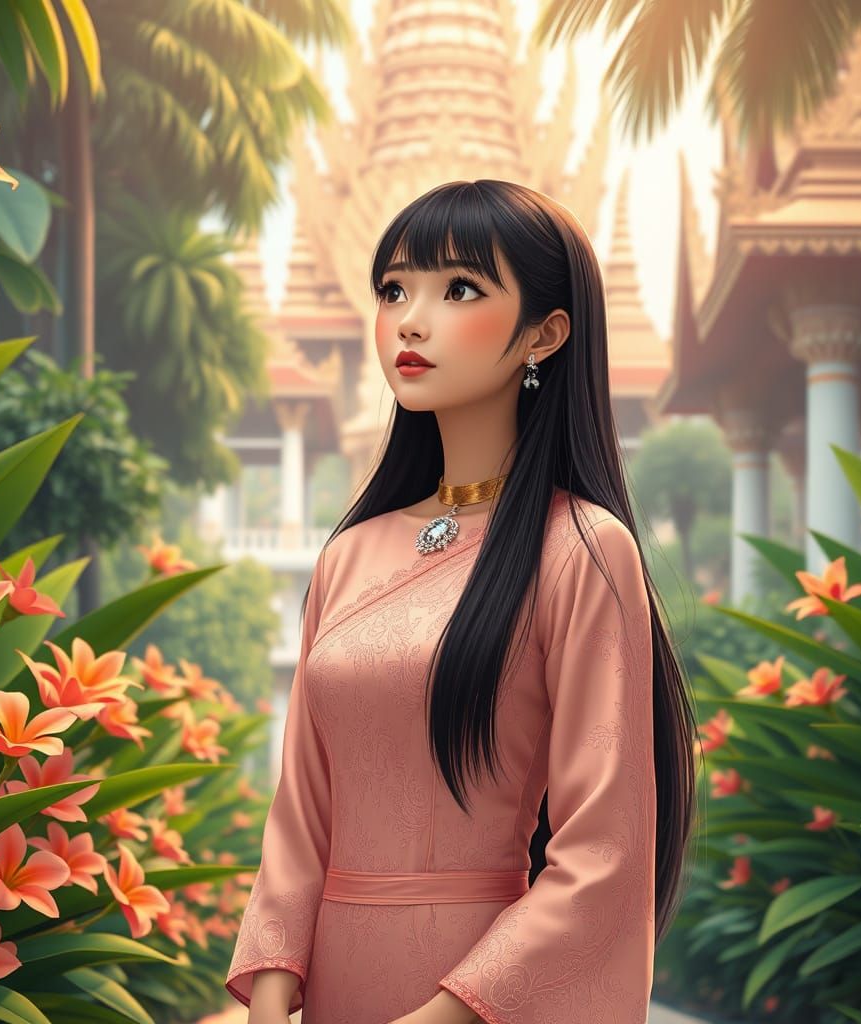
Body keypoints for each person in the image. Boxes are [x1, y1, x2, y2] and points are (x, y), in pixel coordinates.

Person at [226, 179, 697, 1023]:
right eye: (395, 289)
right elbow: (298, 817)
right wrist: (269, 997)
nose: (411, 318)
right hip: (336, 980)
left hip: (481, 991)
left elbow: (602, 853)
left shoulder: (581, 550)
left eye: (461, 290)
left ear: (546, 334)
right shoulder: (346, 555)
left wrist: (442, 1015)